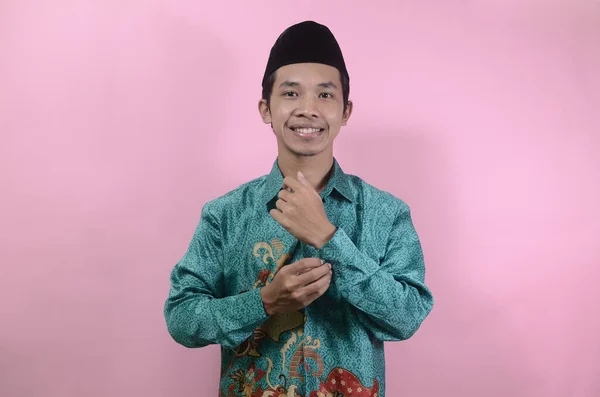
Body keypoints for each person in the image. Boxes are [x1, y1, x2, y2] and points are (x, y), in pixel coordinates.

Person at [164, 20, 434, 397]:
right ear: (265, 109)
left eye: (325, 96)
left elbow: (407, 317)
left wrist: (328, 238)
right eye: (291, 94)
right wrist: (265, 302)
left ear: (345, 111)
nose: (308, 110)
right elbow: (180, 317)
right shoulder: (224, 214)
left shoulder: (386, 213)